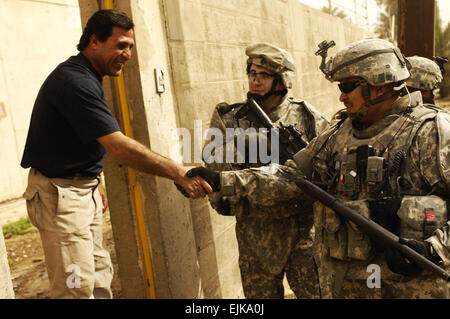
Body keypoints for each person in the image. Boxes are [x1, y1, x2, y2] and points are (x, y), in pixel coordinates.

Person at [186, 38, 450, 298]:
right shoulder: (337, 135)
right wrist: (223, 180)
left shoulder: (433, 133)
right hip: (350, 286)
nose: (341, 95)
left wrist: (434, 248)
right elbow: (291, 177)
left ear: (378, 86)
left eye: (348, 86)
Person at [20, 9, 212, 299]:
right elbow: (118, 146)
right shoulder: (75, 82)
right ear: (94, 42)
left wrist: (95, 181)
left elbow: (78, 136)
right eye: (121, 45)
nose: (127, 54)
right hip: (61, 197)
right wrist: (179, 173)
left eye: (131, 47)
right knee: (74, 288)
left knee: (98, 278)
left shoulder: (90, 76)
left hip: (83, 192)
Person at [201, 43, 328, 298]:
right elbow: (212, 163)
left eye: (264, 75)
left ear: (282, 81)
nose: (255, 81)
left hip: (302, 231)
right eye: (252, 74)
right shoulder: (230, 118)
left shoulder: (307, 117)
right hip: (254, 233)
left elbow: (325, 167)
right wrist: (223, 200)